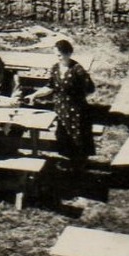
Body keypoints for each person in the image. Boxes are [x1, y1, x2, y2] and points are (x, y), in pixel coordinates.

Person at [28, 37, 96, 167]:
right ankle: (68, 166)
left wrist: (77, 97)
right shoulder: (55, 68)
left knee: (78, 140)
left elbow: (90, 88)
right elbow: (50, 86)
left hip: (77, 112)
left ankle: (80, 168)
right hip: (61, 110)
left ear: (68, 53)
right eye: (56, 55)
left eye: (60, 55)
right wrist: (34, 95)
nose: (58, 58)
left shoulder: (77, 69)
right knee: (63, 137)